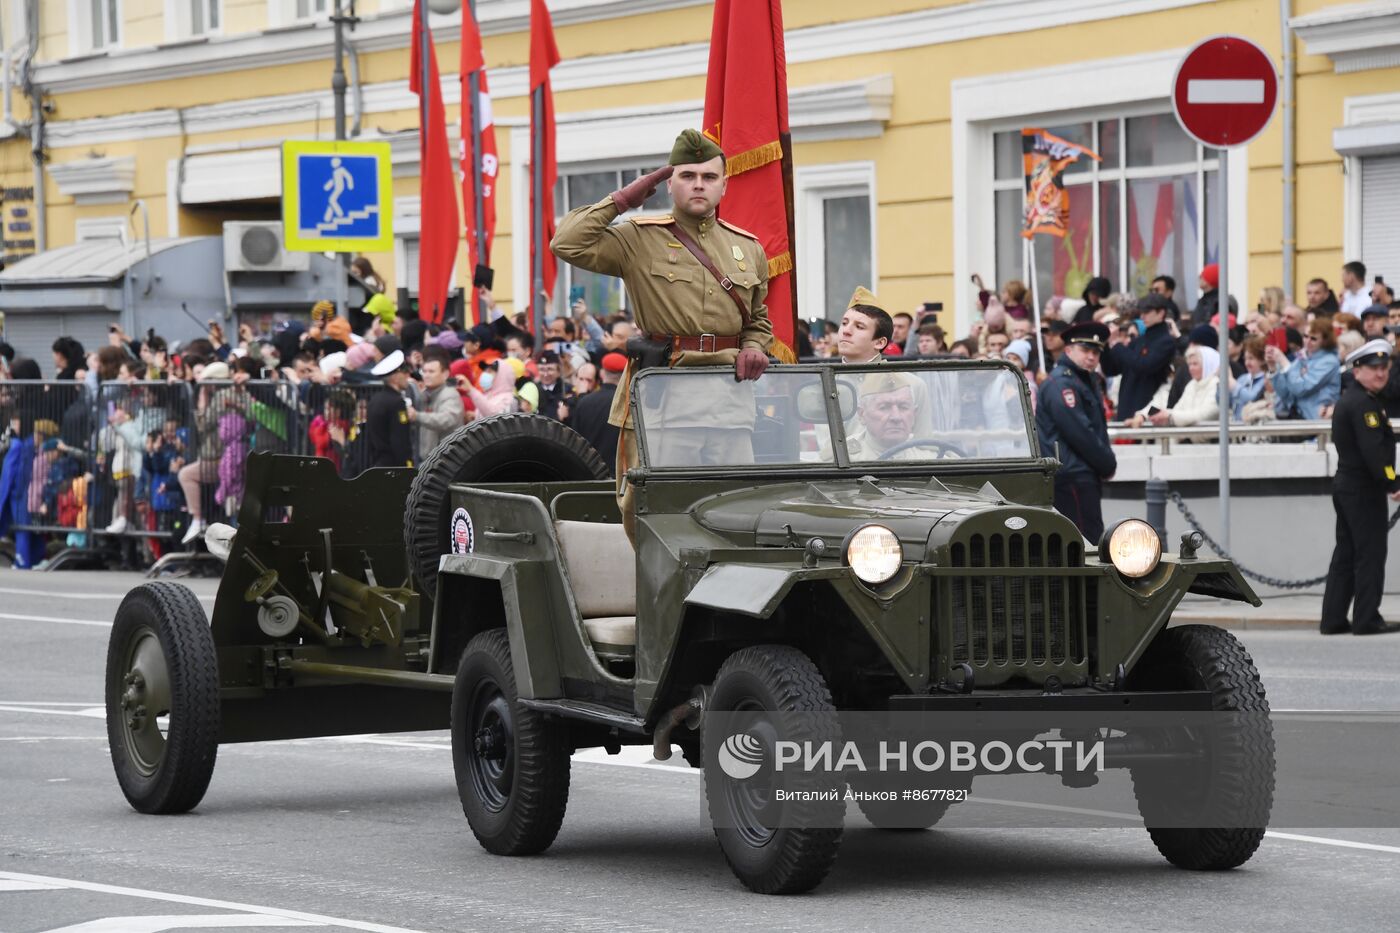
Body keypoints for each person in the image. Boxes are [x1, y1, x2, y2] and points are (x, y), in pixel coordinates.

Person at [551, 128, 774, 541]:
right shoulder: (640, 237)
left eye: (709, 177)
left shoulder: (748, 248)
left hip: (730, 401)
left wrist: (755, 346)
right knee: (659, 516)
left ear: (724, 184)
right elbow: (567, 243)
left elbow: (758, 319)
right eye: (687, 175)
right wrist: (623, 200)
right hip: (666, 400)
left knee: (736, 512)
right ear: (669, 183)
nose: (699, 185)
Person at [1321, 339, 1400, 635]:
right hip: (1363, 489)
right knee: (1370, 554)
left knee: (1346, 554)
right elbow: (1374, 452)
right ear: (1357, 370)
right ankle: (1367, 618)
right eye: (1373, 368)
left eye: (1384, 367)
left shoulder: (1354, 399)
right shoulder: (1364, 405)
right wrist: (1392, 481)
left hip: (1348, 486)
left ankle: (1333, 619)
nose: (1381, 373)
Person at [1036, 322, 1116, 542]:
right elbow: (1080, 432)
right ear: (1069, 350)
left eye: (1096, 352)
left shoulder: (1082, 379)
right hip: (1071, 475)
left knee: (1085, 540)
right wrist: (1107, 463)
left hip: (1079, 473)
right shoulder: (1063, 383)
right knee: (1084, 543)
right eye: (1085, 350)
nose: (1091, 357)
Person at [1101, 293, 1176, 420]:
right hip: (1127, 407)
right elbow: (1111, 369)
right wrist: (1105, 345)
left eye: (1147, 312)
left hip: (1147, 413)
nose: (1142, 316)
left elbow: (1143, 365)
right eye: (1141, 312)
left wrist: (1117, 345)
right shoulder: (1139, 341)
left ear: (1161, 313)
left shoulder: (1166, 342)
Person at [1269, 318, 1340, 420]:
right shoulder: (1302, 356)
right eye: (1305, 336)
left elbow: (1300, 388)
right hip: (1296, 417)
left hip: (1316, 420)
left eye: (1313, 338)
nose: (1308, 341)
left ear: (1325, 341)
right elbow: (1286, 394)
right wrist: (1273, 368)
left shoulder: (1329, 361)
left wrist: (1284, 362)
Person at [572, 352, 624, 470]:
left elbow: (576, 441)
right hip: (620, 475)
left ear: (601, 373)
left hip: (590, 471)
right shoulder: (628, 403)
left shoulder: (585, 402)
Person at [413, 347, 466, 459]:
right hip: (429, 460)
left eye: (431, 371)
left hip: (446, 462)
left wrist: (417, 416)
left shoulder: (450, 394)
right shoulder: (425, 394)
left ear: (446, 373)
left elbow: (446, 420)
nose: (426, 375)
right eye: (424, 371)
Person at [366, 350, 414, 468]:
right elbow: (400, 440)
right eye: (405, 373)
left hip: (377, 464)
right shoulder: (397, 403)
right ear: (395, 377)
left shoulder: (375, 399)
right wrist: (407, 465)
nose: (408, 376)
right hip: (394, 467)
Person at [835, 288, 892, 363]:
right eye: (844, 323)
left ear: (879, 343)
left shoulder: (893, 375)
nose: (846, 331)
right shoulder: (825, 374)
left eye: (859, 327)